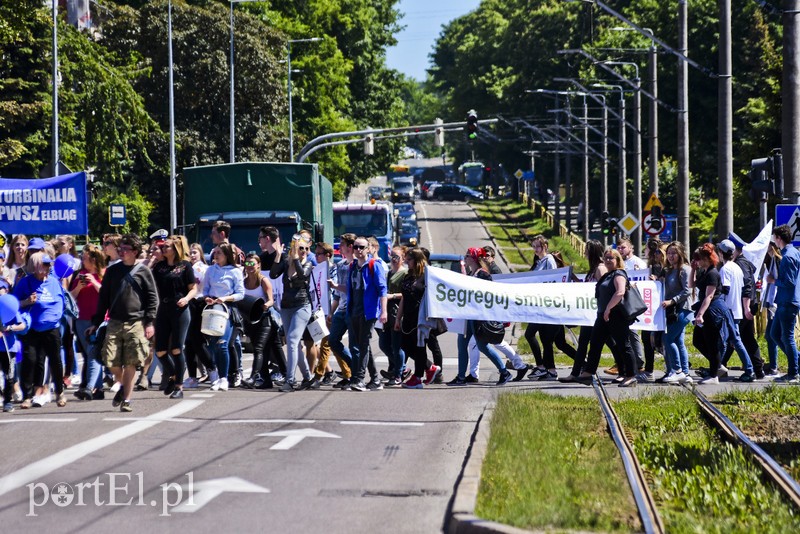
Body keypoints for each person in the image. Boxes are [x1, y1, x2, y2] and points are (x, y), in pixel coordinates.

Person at [87, 235, 159, 412]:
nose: (121, 252)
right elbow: (103, 298)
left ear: (135, 252)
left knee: (131, 362)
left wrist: (149, 322)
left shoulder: (143, 271)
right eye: (120, 249)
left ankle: (126, 399)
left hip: (136, 322)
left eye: (125, 249)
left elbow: (152, 298)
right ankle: (121, 383)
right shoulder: (112, 271)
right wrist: (96, 322)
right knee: (110, 359)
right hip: (114, 321)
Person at [447, 247, 512, 386]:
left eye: (468, 255)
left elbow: (489, 295)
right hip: (468, 316)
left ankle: (504, 372)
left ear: (475, 258)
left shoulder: (483, 274)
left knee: (483, 346)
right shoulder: (472, 273)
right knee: (462, 345)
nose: (465, 257)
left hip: (478, 318)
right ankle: (460, 377)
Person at [575, 248, 637, 387]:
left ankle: (631, 375)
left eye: (611, 258)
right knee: (595, 344)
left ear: (617, 260)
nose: (608, 260)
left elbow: (620, 292)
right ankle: (588, 374)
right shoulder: (608, 274)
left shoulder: (619, 274)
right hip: (603, 315)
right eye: (606, 257)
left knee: (624, 345)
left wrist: (609, 308)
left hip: (616, 316)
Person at [13, 252, 68, 407]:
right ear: (34, 266)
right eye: (42, 264)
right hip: (32, 329)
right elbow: (14, 303)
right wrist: (26, 301)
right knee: (30, 360)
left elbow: (61, 301)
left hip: (51, 328)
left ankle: (60, 392)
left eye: (47, 264)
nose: (46, 267)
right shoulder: (25, 283)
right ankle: (27, 396)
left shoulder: (54, 282)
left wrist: (55, 317)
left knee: (55, 361)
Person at [525, 235, 576, 381]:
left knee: (535, 336)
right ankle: (552, 369)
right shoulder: (539, 261)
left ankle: (544, 367)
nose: (535, 249)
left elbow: (553, 279)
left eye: (538, 246)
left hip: (547, 306)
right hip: (539, 305)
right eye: (533, 247)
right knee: (558, 342)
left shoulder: (549, 260)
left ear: (545, 246)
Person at [152, 235, 197, 399]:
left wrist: (186, 298)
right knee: (160, 351)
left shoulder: (185, 266)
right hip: (163, 308)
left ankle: (179, 386)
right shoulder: (159, 267)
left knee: (177, 348)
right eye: (163, 247)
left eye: (167, 247)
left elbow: (193, 288)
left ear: (175, 249)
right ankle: (172, 375)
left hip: (180, 309)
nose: (163, 249)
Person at [270, 233, 317, 391]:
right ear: (292, 248)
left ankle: (290, 381)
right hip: (286, 306)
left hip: (302, 306)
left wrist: (297, 258)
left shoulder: (308, 263)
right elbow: (273, 274)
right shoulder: (286, 262)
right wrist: (277, 255)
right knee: (294, 345)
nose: (303, 251)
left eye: (305, 248)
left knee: (291, 339)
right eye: (300, 248)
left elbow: (303, 277)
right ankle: (308, 377)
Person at [559, 240, 607, 383]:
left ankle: (627, 370)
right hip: (589, 314)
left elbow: (603, 289)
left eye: (586, 249)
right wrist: (574, 279)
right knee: (583, 343)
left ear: (592, 251)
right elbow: (589, 289)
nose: (584, 252)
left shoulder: (600, 268)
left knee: (612, 344)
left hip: (597, 314)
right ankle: (576, 373)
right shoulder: (593, 268)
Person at [689, 243, 738, 385]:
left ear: (707, 259)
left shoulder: (713, 274)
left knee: (712, 342)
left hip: (712, 310)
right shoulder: (705, 272)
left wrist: (700, 314)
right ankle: (717, 366)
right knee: (698, 340)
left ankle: (713, 375)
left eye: (699, 259)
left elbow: (709, 296)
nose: (697, 261)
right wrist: (693, 269)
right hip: (706, 310)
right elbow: (692, 285)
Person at [346, 235, 388, 392]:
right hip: (354, 311)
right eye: (355, 247)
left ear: (368, 249)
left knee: (363, 345)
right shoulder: (352, 267)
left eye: (361, 247)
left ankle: (359, 379)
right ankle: (375, 379)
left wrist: (383, 311)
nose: (357, 250)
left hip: (368, 312)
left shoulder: (374, 265)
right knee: (363, 346)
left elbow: (382, 289)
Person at [394, 248, 440, 388]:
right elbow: (404, 298)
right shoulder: (408, 276)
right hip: (407, 316)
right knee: (405, 345)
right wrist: (398, 318)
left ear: (418, 260)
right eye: (406, 260)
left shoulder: (427, 275)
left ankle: (418, 378)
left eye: (409, 260)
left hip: (421, 317)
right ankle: (430, 367)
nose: (406, 262)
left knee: (419, 347)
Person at [201, 243, 244, 391]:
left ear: (226, 255)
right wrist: (207, 297)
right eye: (215, 252)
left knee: (222, 342)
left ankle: (224, 377)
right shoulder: (210, 270)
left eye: (219, 253)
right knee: (212, 344)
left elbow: (240, 293)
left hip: (227, 308)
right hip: (212, 308)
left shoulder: (235, 271)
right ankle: (217, 375)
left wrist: (226, 299)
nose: (216, 255)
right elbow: (205, 289)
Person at [722, 234, 765, 379]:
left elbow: (746, 287)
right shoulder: (744, 263)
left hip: (743, 306)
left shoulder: (740, 264)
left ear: (735, 250)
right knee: (746, 338)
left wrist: (746, 307)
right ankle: (757, 369)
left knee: (732, 338)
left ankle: (718, 366)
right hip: (746, 305)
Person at [70, 244, 107, 400]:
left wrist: (94, 281)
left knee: (93, 352)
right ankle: (98, 389)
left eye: (84, 258)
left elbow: (107, 295)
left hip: (99, 319)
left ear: (93, 260)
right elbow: (71, 297)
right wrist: (79, 286)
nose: (82, 261)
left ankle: (90, 387)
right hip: (81, 318)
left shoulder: (104, 274)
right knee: (90, 354)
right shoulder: (79, 275)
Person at [716, 239, 755, 381]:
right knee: (730, 340)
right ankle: (717, 367)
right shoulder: (736, 267)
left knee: (729, 341)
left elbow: (724, 289)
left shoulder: (725, 269)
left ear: (721, 253)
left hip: (728, 310)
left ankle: (748, 370)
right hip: (736, 310)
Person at [767, 224, 800, 382]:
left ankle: (793, 373)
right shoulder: (793, 252)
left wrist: (774, 281)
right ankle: (796, 363)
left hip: (788, 301)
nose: (774, 240)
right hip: (785, 301)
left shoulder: (788, 257)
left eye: (774, 238)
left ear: (779, 238)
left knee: (787, 338)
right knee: (774, 334)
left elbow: (790, 282)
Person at [241, 253, 278, 389]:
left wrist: (266, 305)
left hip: (264, 320)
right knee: (263, 350)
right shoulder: (243, 282)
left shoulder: (263, 280)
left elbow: (271, 300)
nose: (250, 266)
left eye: (252, 264)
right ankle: (266, 380)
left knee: (258, 348)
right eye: (247, 264)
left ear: (258, 265)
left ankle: (253, 376)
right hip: (249, 320)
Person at [659, 241, 694, 384]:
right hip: (673, 310)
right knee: (679, 341)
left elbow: (687, 291)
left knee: (667, 339)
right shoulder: (668, 270)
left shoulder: (685, 269)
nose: (671, 256)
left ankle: (677, 370)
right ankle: (685, 373)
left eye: (674, 253)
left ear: (680, 254)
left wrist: (671, 301)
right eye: (668, 253)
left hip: (683, 309)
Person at [327, 234, 356, 389]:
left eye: (342, 245)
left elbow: (351, 290)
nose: (340, 248)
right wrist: (332, 312)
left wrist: (335, 286)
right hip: (341, 309)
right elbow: (338, 293)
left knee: (354, 345)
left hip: (353, 309)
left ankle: (355, 374)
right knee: (333, 341)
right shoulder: (341, 264)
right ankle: (353, 368)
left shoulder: (357, 265)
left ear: (350, 246)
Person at [1, 280, 31, 412]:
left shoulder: (9, 306)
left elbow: (22, 325)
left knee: (9, 375)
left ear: (6, 290)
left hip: (9, 347)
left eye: (2, 288)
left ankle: (7, 401)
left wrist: (9, 327)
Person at [380, 245, 408, 385]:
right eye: (392, 256)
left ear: (403, 259)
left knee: (396, 346)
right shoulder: (389, 272)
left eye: (396, 257)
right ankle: (401, 368)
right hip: (387, 312)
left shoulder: (405, 273)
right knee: (384, 344)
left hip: (398, 312)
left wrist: (392, 296)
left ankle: (398, 375)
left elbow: (407, 294)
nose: (393, 259)